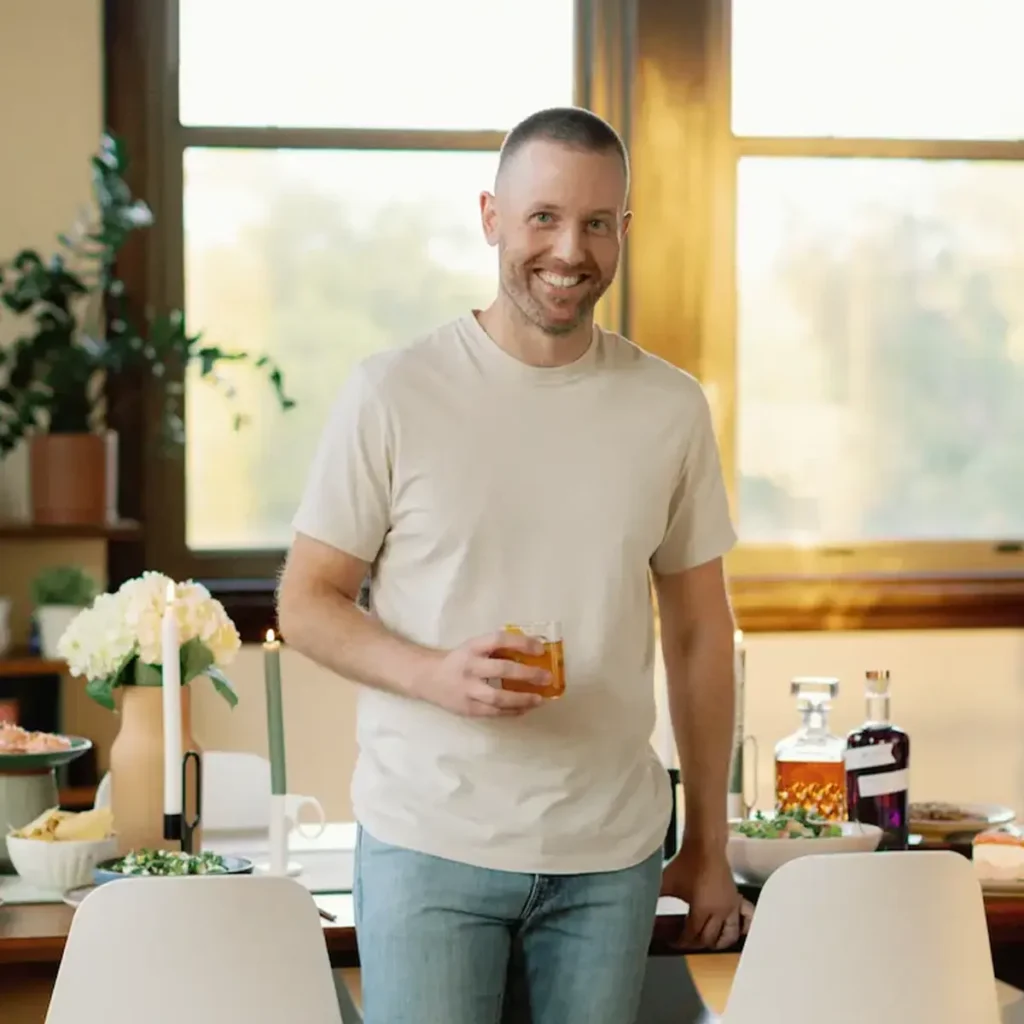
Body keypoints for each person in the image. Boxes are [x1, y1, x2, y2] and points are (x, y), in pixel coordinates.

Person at [278, 105, 753, 1024]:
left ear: (624, 229)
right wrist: (431, 674)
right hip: (430, 843)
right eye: (543, 217)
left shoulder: (669, 408)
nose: (569, 249)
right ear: (492, 216)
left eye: (596, 223)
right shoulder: (395, 391)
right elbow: (307, 601)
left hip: (612, 858)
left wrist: (706, 841)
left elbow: (700, 631)